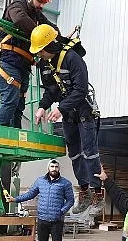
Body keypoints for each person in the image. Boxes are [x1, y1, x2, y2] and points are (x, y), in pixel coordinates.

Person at [30, 24, 104, 216]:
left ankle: (98, 192)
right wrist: (42, 107)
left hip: (84, 113)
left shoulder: (73, 59)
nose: (39, 55)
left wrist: (61, 108)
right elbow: (51, 90)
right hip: (69, 115)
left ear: (49, 46)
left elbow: (80, 90)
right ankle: (85, 191)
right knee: (75, 154)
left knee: (90, 153)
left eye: (40, 51)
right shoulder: (44, 65)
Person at [0, 0, 55, 129]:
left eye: (44, 2)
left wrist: (59, 37)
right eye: (39, 0)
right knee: (10, 100)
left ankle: (15, 133)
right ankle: (2, 133)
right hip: (9, 61)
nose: (41, 5)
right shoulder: (16, 7)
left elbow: (51, 28)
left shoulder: (37, 15)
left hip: (24, 65)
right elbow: (20, 19)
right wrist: (40, 34)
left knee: (19, 104)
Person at [6, 159, 74, 241]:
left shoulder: (65, 183)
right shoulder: (40, 181)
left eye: (56, 166)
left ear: (59, 169)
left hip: (56, 221)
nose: (54, 168)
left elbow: (70, 201)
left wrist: (61, 211)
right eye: (52, 166)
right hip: (43, 219)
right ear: (48, 168)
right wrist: (15, 199)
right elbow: (30, 194)